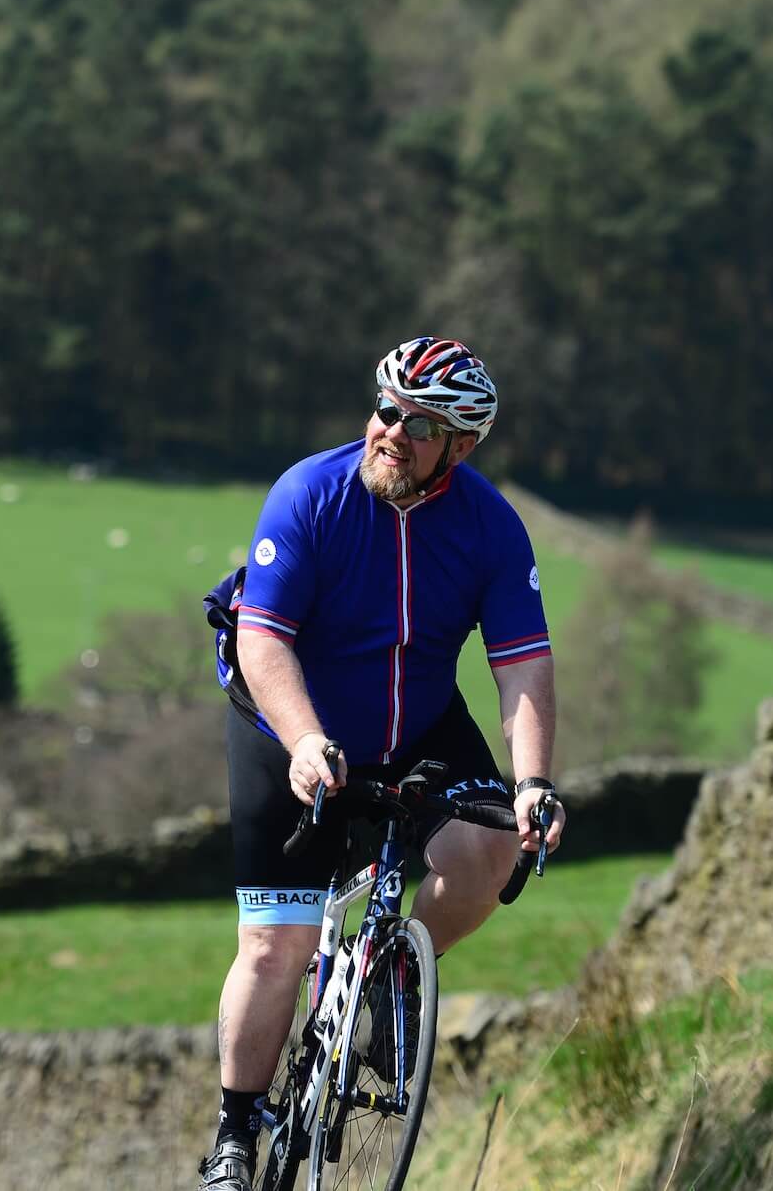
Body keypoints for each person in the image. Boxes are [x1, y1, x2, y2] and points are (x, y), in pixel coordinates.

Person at [195, 337, 565, 1190]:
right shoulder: (310, 493)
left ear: (460, 447)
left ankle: (384, 980)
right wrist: (301, 741)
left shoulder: (489, 527)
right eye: (385, 407)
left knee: (491, 845)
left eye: (419, 423)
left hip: (420, 724)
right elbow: (263, 637)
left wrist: (535, 780)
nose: (391, 431)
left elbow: (523, 663)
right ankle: (235, 1133)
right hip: (285, 723)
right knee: (275, 946)